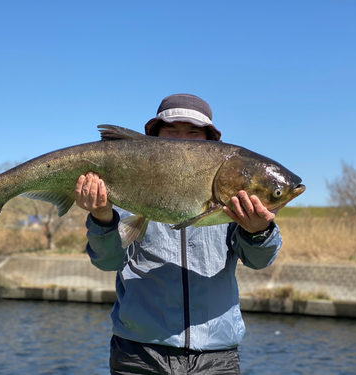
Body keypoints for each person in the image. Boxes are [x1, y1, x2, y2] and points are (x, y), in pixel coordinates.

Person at [74, 94, 282, 374]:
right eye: (171, 130)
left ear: (210, 141)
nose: (180, 138)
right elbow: (107, 261)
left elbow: (259, 261)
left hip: (217, 357)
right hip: (138, 355)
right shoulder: (127, 184)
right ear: (154, 137)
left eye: (193, 132)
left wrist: (259, 231)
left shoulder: (234, 198)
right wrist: (101, 218)